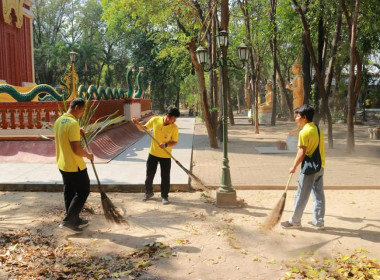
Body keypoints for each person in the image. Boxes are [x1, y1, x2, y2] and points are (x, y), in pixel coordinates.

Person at [281, 104, 326, 230]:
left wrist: (294, 166)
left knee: (301, 194)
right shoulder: (318, 129)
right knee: (319, 194)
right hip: (320, 166)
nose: (296, 118)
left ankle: (295, 221)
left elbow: (302, 152)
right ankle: (319, 221)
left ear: (304, 117)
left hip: (309, 169)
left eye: (297, 116)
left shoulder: (304, 132)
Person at [54, 98, 94, 232]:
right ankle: (68, 221)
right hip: (74, 165)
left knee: (69, 191)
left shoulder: (59, 120)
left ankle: (74, 219)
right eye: (82, 110)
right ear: (76, 108)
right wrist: (89, 156)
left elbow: (65, 136)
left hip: (62, 163)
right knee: (84, 191)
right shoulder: (72, 124)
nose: (82, 113)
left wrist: (78, 131)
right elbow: (76, 149)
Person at [133, 106, 180, 205]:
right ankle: (148, 192)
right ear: (167, 116)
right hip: (153, 153)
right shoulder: (155, 120)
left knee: (165, 177)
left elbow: (175, 142)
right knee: (149, 175)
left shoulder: (174, 128)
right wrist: (137, 124)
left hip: (166, 156)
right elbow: (144, 128)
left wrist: (166, 144)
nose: (175, 121)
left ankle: (164, 196)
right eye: (173, 118)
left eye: (176, 119)